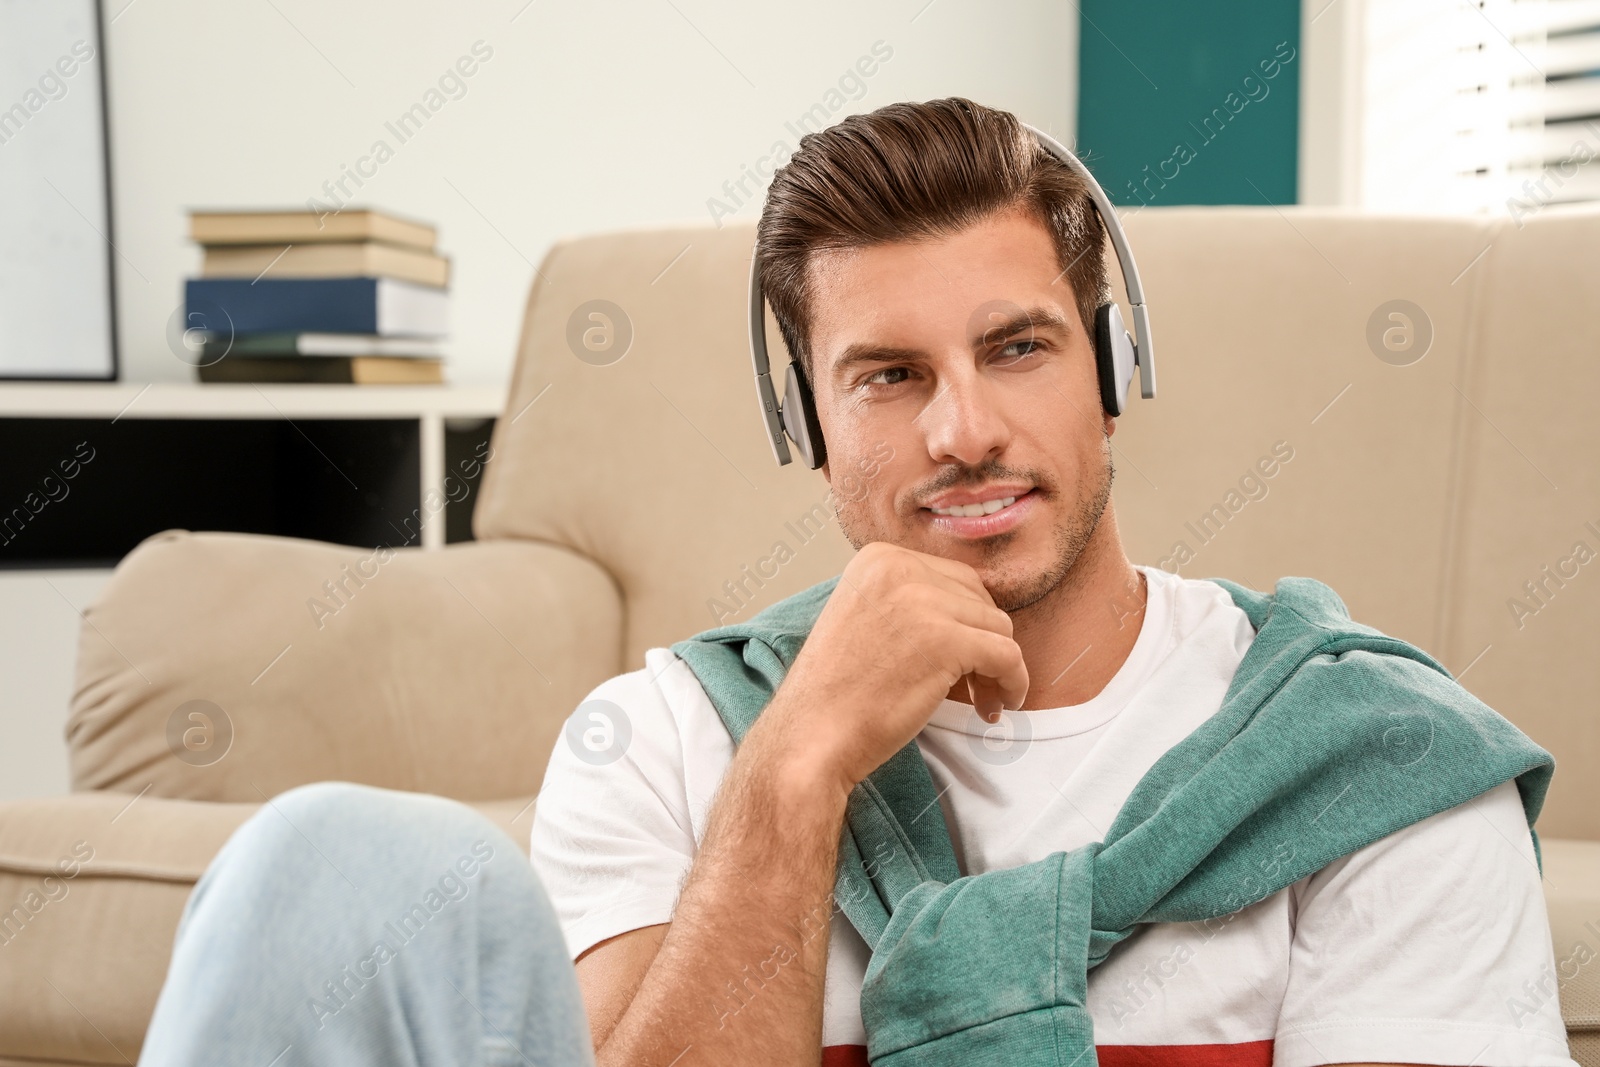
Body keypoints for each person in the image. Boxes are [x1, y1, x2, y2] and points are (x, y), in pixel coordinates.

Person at [138, 98, 1576, 1067]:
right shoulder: (663, 741)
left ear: (1112, 376)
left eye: (1018, 348)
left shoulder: (1368, 759)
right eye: (889, 377)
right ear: (808, 431)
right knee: (323, 862)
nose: (962, 432)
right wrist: (798, 769)